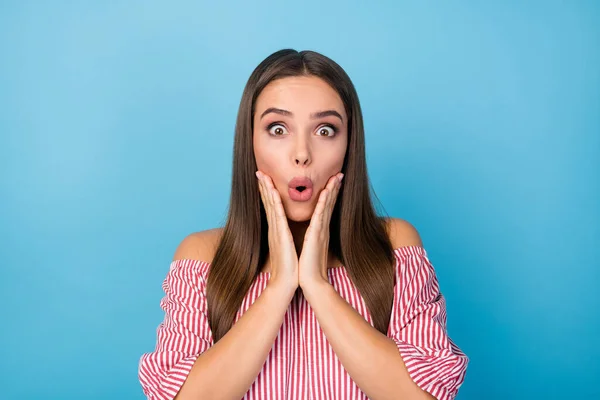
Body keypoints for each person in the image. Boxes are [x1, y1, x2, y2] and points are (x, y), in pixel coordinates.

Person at [138, 49, 469, 400]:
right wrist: (280, 286)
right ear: (249, 143)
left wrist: (317, 285)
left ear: (349, 145)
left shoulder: (393, 245)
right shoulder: (203, 256)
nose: (302, 153)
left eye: (325, 130)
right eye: (277, 129)